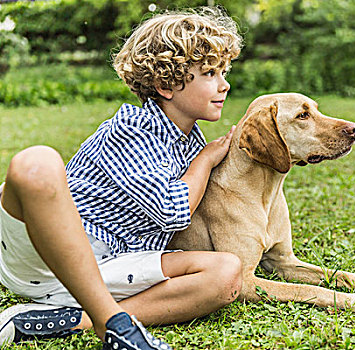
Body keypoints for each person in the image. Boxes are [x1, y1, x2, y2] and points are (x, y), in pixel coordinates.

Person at [0, 7, 243, 349]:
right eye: (210, 73)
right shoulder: (132, 129)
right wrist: (205, 160)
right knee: (36, 161)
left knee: (226, 273)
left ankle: (67, 320)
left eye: (224, 71)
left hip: (112, 267)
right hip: (47, 254)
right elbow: (172, 211)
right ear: (165, 85)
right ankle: (113, 324)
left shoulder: (192, 142)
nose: (224, 83)